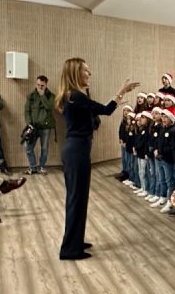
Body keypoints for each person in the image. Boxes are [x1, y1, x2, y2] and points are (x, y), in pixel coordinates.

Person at [55, 58, 138, 260]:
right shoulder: (75, 96)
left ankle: (75, 241)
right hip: (77, 150)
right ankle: (70, 249)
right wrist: (122, 91)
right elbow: (106, 110)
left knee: (78, 198)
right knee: (76, 198)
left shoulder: (72, 96)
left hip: (75, 149)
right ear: (75, 73)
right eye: (85, 70)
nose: (89, 73)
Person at [24, 75, 56, 175]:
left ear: (46, 85)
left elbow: (50, 107)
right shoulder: (31, 96)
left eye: (42, 85)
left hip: (45, 127)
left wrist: (42, 95)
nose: (39, 87)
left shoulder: (51, 96)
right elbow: (27, 111)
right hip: (33, 127)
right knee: (28, 147)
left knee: (44, 148)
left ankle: (41, 167)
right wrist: (29, 123)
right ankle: (33, 167)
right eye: (38, 85)